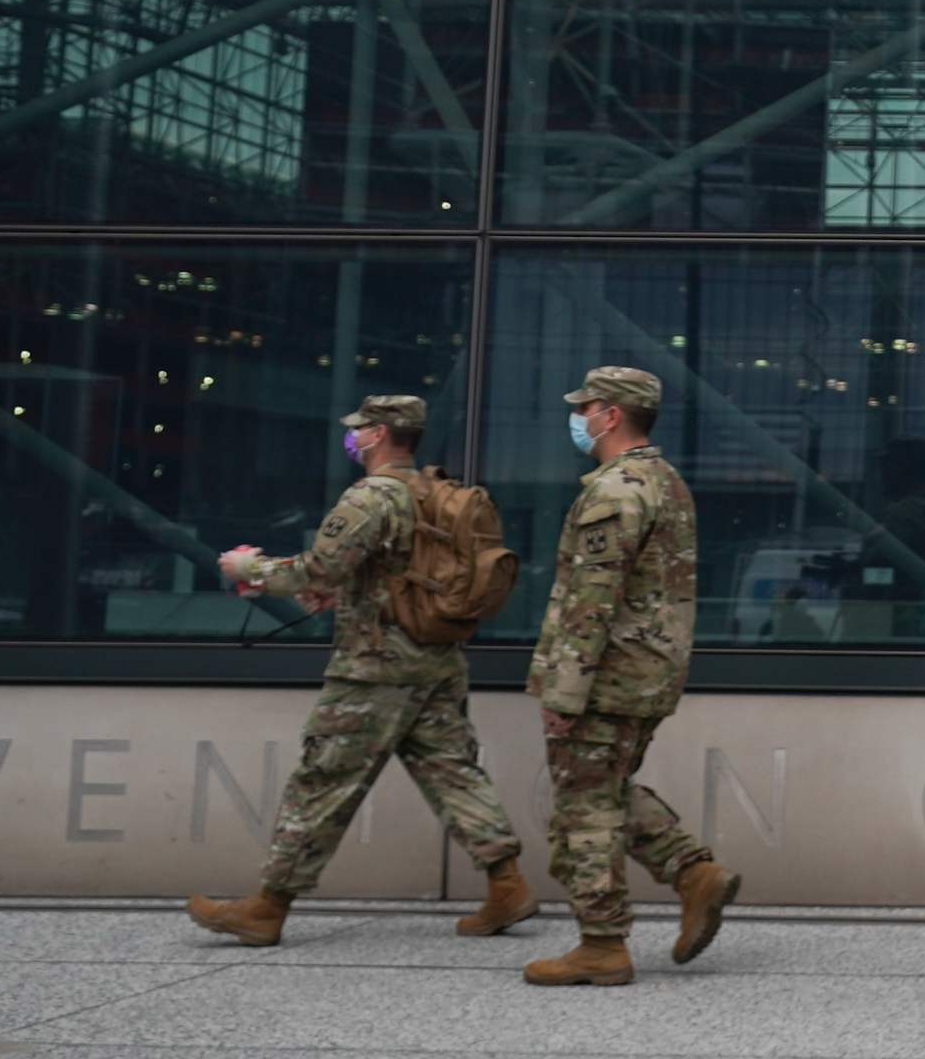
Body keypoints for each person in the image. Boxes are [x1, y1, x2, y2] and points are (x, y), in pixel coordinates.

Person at [184, 394, 529, 947]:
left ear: (379, 435)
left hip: (375, 667)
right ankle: (506, 883)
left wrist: (247, 567)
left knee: (323, 778)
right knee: (452, 770)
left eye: (360, 429)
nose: (353, 437)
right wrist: (341, 593)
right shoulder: (429, 492)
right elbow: (389, 571)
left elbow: (320, 565)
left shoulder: (373, 495)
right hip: (434, 657)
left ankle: (267, 906)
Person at [521, 367, 739, 989]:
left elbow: (594, 598)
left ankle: (601, 943)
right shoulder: (665, 482)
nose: (579, 417)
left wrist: (564, 691)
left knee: (583, 806)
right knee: (607, 786)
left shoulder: (616, 490)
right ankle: (693, 872)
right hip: (642, 675)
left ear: (612, 414)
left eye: (585, 406)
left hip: (604, 679)